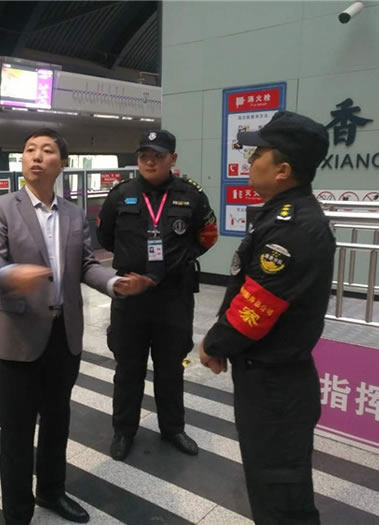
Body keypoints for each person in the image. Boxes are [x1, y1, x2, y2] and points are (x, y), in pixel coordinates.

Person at [0, 128, 152, 525]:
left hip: (64, 333)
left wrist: (114, 283)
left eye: (47, 150)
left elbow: (86, 263)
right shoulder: (1, 207)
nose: (36, 156)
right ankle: (18, 513)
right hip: (21, 336)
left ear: (62, 164)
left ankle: (52, 491)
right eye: (29, 150)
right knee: (17, 430)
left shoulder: (73, 213)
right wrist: (9, 273)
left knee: (57, 419)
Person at [199, 111, 334, 524]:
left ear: (283, 170)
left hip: (277, 386)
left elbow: (257, 306)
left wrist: (214, 344)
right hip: (270, 379)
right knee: (273, 484)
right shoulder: (283, 215)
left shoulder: (293, 227)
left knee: (280, 495)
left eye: (258, 153)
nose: (250, 159)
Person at [97, 129, 218, 461]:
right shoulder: (120, 195)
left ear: (172, 159)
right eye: (144, 156)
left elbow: (208, 235)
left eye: (158, 156)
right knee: (128, 367)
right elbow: (105, 236)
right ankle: (124, 431)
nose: (149, 162)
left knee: (171, 367)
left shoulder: (191, 195)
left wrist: (179, 259)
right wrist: (134, 261)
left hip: (173, 297)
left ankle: (173, 428)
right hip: (130, 296)